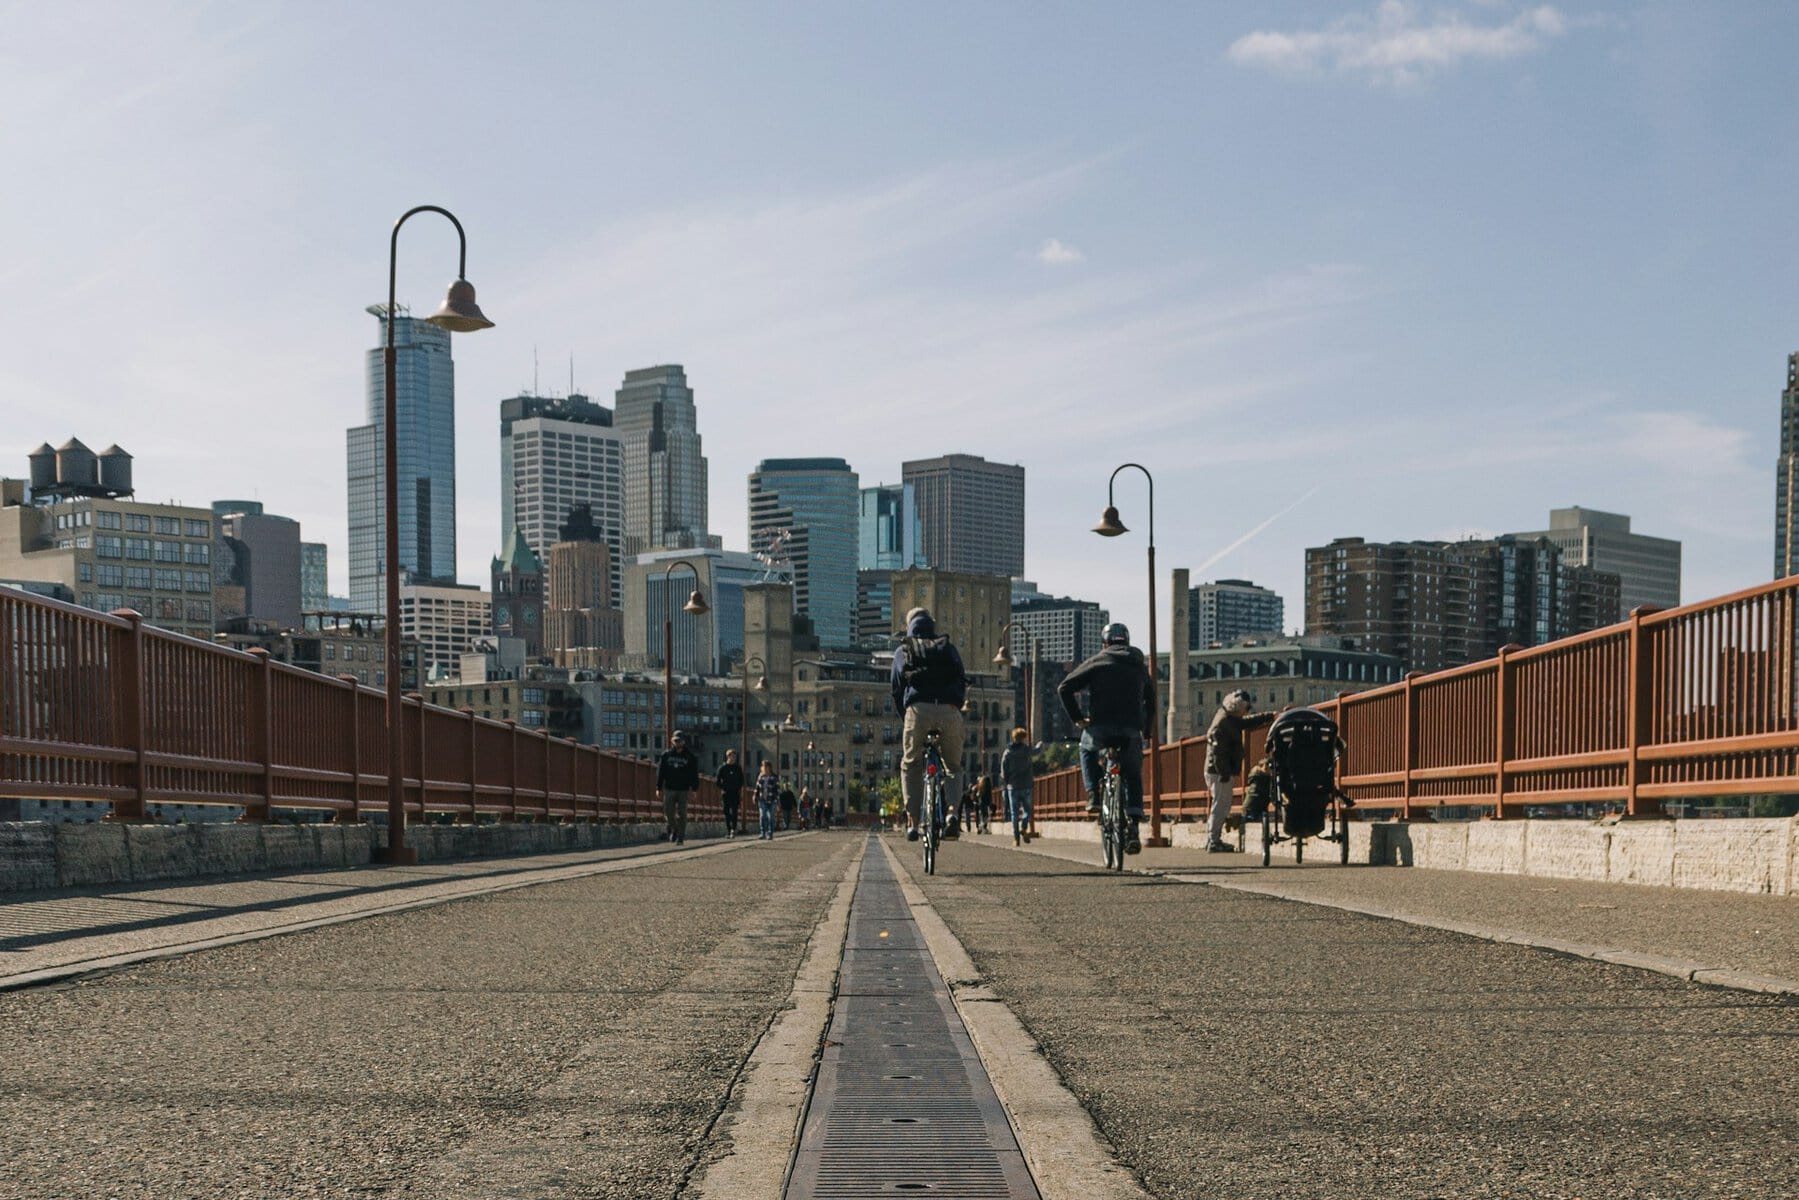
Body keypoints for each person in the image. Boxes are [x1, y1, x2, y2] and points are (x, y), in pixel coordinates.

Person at [1057, 622, 1152, 855]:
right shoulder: (1139, 665)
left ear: (1105, 643)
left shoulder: (1098, 661)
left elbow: (1064, 688)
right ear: (1127, 642)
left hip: (1100, 727)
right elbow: (1151, 701)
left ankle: (1093, 794)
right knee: (1132, 774)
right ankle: (1134, 824)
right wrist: (1146, 731)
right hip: (1130, 729)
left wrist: (1078, 719)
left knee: (1086, 749)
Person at [891, 606, 968, 844]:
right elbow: (961, 678)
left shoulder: (904, 649)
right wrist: (955, 704)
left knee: (911, 763)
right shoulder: (948, 647)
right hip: (950, 711)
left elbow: (896, 688)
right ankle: (953, 813)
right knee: (953, 767)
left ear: (909, 626)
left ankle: (913, 821)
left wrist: (906, 717)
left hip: (918, 709)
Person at [1204, 689, 1276, 853]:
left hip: (1218, 769)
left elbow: (1246, 722)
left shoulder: (1229, 717)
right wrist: (1224, 773)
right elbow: (1217, 752)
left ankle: (1212, 840)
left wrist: (1269, 716)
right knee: (1221, 805)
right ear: (1238, 708)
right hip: (1218, 771)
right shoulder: (1223, 723)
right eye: (1246, 708)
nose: (1247, 712)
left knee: (1221, 804)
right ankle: (1213, 842)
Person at [655, 729, 700, 845]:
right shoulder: (666, 755)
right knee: (668, 812)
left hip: (683, 789)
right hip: (669, 788)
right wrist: (658, 787)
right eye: (675, 740)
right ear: (672, 741)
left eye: (679, 741)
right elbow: (660, 772)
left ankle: (680, 837)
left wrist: (694, 789)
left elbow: (694, 774)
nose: (677, 743)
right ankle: (675, 829)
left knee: (682, 813)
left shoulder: (690, 757)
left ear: (683, 742)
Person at [1000, 728, 1035, 843]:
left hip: (1012, 786)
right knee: (1027, 811)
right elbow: (1036, 751)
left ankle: (1016, 838)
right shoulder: (1026, 750)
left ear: (1013, 737)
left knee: (1014, 813)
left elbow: (1003, 771)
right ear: (1023, 738)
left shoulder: (1007, 752)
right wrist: (1040, 745)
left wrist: (1006, 781)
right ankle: (1024, 827)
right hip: (1026, 785)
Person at [716, 749, 745, 838]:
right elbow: (717, 781)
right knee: (726, 811)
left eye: (734, 756)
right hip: (726, 793)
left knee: (735, 811)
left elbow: (741, 780)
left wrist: (738, 788)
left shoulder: (738, 768)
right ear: (727, 756)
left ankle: (733, 828)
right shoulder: (722, 768)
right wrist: (723, 788)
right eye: (731, 756)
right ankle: (729, 830)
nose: (733, 758)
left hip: (735, 792)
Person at [753, 761, 780, 839]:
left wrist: (778, 801)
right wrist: (755, 796)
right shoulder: (761, 777)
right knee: (762, 816)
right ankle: (762, 833)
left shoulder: (774, 777)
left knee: (771, 817)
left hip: (772, 799)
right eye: (763, 767)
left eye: (767, 767)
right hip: (762, 799)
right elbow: (757, 787)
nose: (765, 768)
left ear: (770, 768)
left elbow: (777, 790)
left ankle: (770, 833)